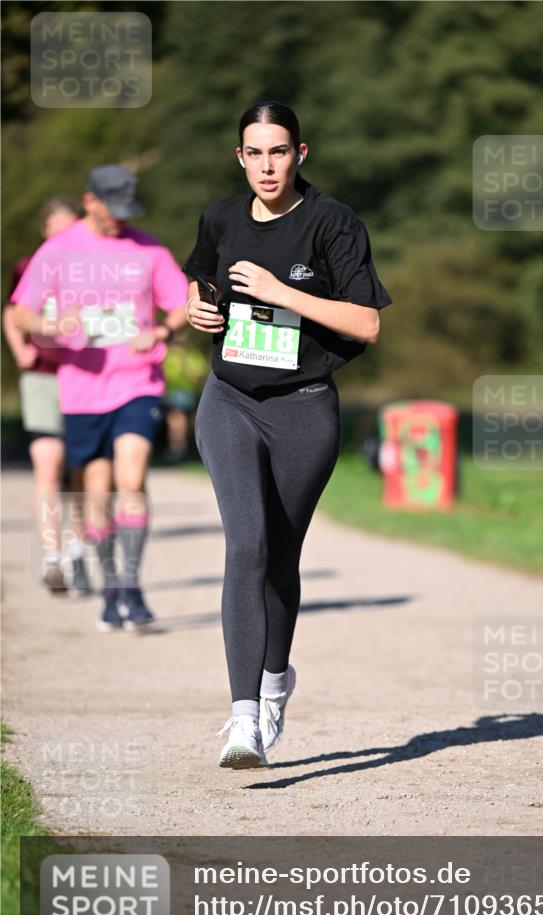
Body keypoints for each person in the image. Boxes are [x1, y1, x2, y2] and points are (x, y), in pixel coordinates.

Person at [183, 100, 392, 768]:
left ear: (300, 154)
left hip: (304, 407)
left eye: (279, 152)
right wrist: (197, 307)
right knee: (245, 544)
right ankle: (244, 717)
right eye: (254, 153)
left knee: (279, 559)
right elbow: (203, 279)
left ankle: (276, 683)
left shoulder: (333, 224)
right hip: (230, 401)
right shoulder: (219, 216)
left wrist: (280, 292)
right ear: (238, 156)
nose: (266, 166)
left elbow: (365, 325)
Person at [11, 165, 188, 630]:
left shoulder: (148, 248)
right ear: (90, 201)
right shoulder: (59, 250)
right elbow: (21, 313)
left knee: (131, 479)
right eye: (114, 211)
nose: (121, 221)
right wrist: (52, 326)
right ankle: (110, 586)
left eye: (129, 211)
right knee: (97, 492)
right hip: (82, 388)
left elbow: (183, 302)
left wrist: (164, 329)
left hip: (137, 381)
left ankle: (131, 584)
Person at [3, 197, 92, 596]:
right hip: (43, 377)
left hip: (88, 378)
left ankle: (78, 549)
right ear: (44, 233)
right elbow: (12, 312)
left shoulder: (95, 267)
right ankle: (52, 557)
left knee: (81, 470)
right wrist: (20, 347)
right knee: (48, 464)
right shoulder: (29, 266)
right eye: (57, 232)